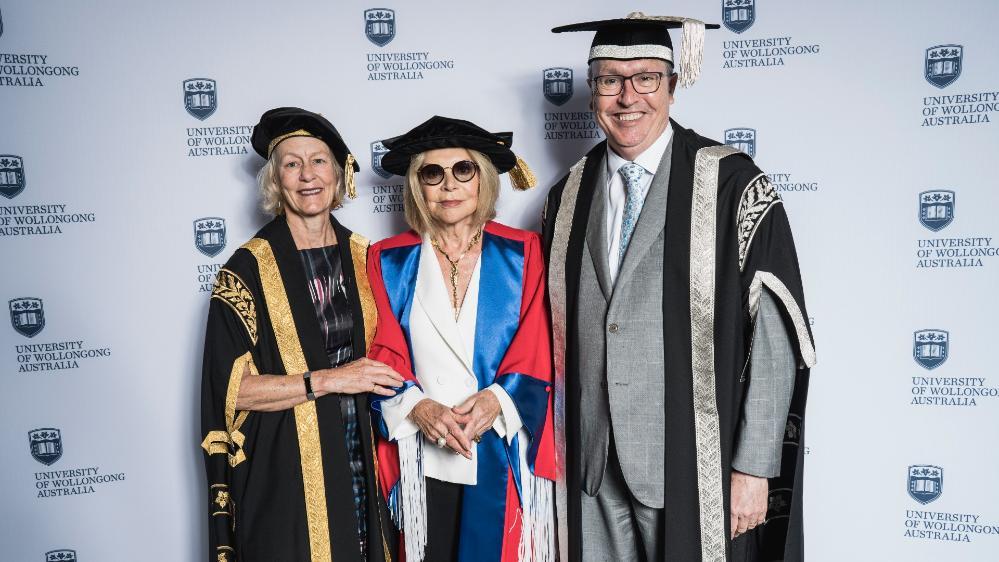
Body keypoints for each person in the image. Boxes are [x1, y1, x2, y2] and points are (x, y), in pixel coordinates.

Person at [543, 13, 816, 562]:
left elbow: (775, 337)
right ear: (592, 89)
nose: (627, 97)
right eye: (609, 80)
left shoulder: (732, 182)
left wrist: (755, 467)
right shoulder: (567, 194)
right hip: (592, 464)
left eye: (645, 77)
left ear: (672, 84)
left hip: (692, 462)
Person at [200, 107, 401, 562]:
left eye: (319, 161)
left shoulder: (367, 257)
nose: (307, 175)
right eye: (292, 163)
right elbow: (231, 393)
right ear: (276, 180)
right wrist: (328, 379)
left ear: (340, 172)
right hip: (286, 474)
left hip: (364, 463)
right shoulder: (246, 270)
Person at [366, 116, 557, 562]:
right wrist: (418, 406)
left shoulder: (522, 251)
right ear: (418, 186)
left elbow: (538, 343)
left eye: (462, 170)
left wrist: (496, 401)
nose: (448, 185)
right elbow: (383, 348)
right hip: (423, 447)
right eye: (433, 173)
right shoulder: (388, 259)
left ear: (483, 178)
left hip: (498, 441)